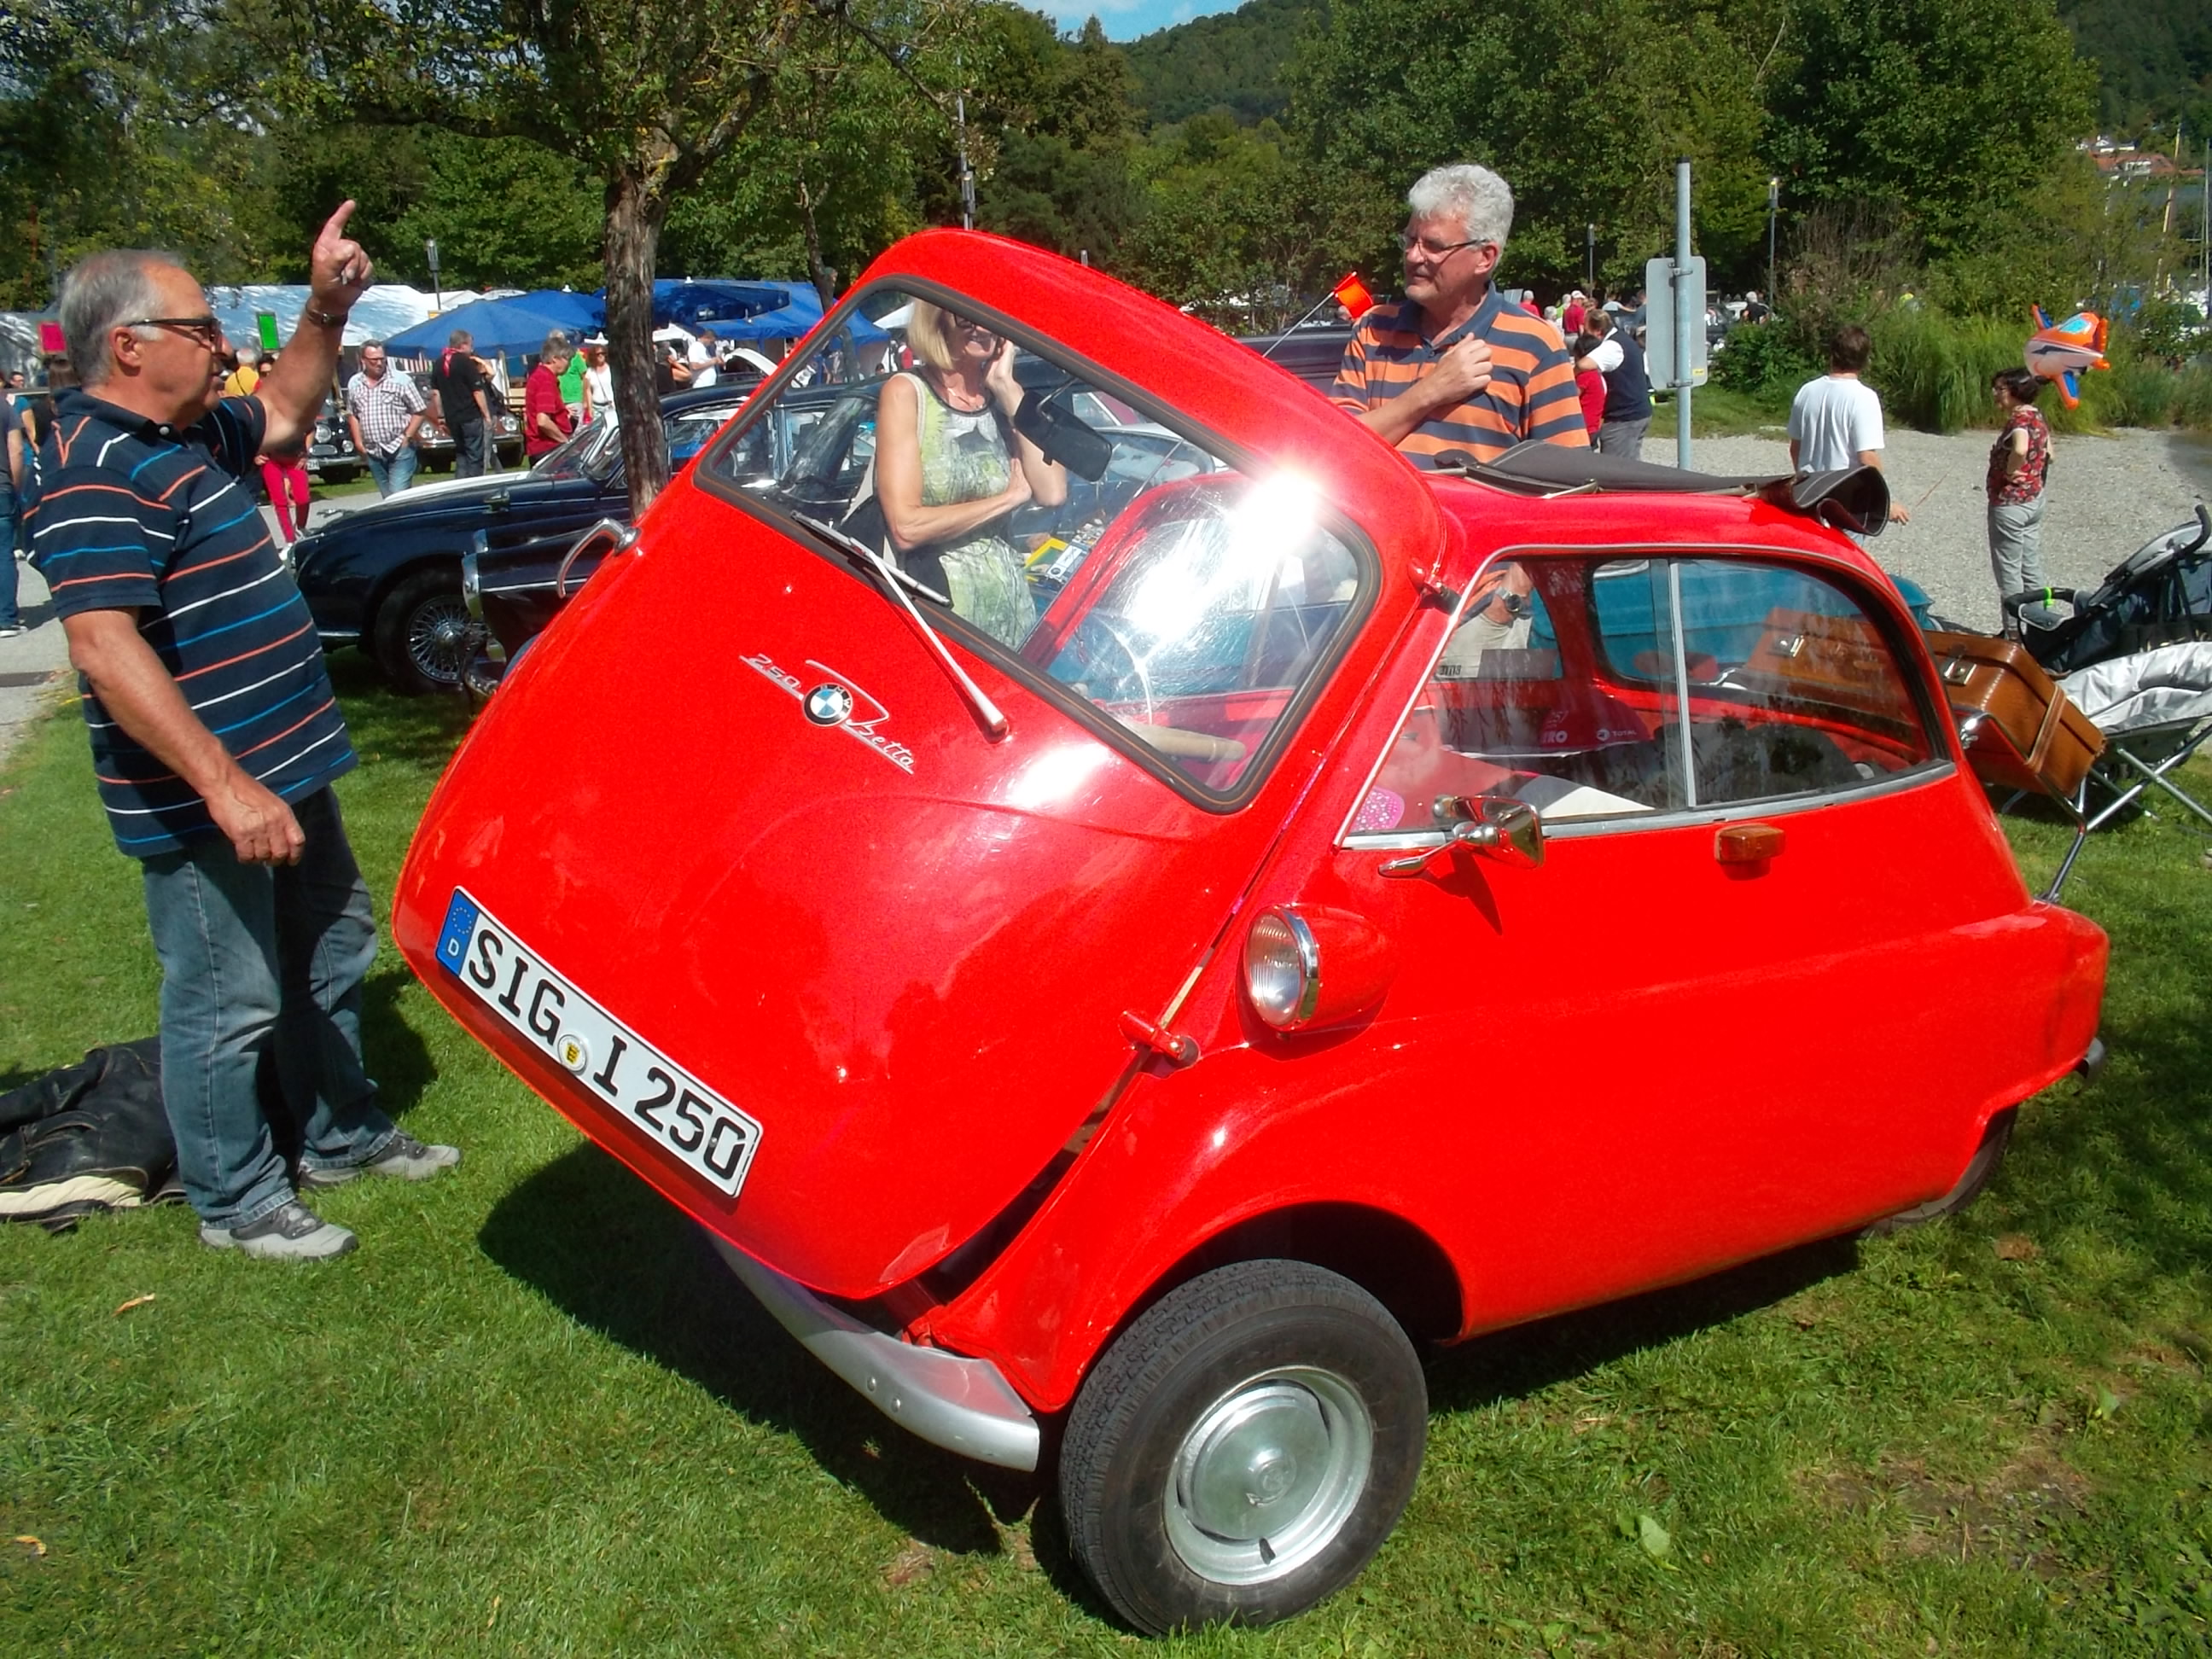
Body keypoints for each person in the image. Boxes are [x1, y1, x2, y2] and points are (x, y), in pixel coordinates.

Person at [23, 207, 460, 1261]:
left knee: (332, 945)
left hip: (288, 764)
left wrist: (325, 307)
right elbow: (103, 645)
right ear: (128, 345)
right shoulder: (92, 467)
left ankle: (341, 1132)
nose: (220, 341)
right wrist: (225, 786)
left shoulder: (180, 433)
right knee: (228, 996)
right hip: (209, 793)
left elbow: (283, 413)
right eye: (200, 325)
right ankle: (237, 1197)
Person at [1330, 162, 1587, 470]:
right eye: (1410, 240)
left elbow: (1569, 479)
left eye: (1434, 246)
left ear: (1485, 258)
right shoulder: (1373, 328)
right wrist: (1431, 391)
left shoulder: (1535, 344)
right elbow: (1337, 447)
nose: (1413, 256)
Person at [871, 299, 1067, 647]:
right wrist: (1006, 500)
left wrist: (1007, 388)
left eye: (993, 315)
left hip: (1014, 615)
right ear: (939, 318)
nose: (983, 327)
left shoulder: (1005, 399)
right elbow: (906, 527)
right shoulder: (908, 393)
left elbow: (1052, 492)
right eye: (967, 316)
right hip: (943, 619)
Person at [1787, 326, 1911, 525]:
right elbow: (1867, 457)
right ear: (1865, 360)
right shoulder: (1864, 398)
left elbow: (1795, 448)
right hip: (1845, 502)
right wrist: (1885, 503)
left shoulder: (1807, 391)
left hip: (1807, 495)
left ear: (1832, 355)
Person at [1985, 366, 2052, 613]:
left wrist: (2012, 470)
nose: (1996, 393)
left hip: (2010, 504)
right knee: (2030, 564)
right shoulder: (2037, 415)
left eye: (2000, 389)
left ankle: (2015, 633)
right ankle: (2042, 622)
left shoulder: (2019, 419)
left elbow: (2021, 448)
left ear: (2015, 391)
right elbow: (2050, 454)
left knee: (2009, 572)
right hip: (2034, 500)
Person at [343, 340, 425, 495]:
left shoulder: (401, 380)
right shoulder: (355, 383)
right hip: (373, 450)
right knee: (387, 497)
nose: (379, 363)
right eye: (374, 360)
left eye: (382, 359)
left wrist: (407, 437)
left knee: (398, 495)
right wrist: (358, 442)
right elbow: (352, 414)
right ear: (363, 360)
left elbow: (419, 410)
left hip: (399, 448)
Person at [1575, 308, 1653, 458]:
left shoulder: (1612, 346)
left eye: (1587, 331)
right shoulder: (1623, 339)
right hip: (1638, 411)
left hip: (1624, 418)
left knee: (1613, 469)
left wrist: (1571, 374)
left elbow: (1583, 364)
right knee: (1630, 466)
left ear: (1598, 331)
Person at [429, 328, 496, 477]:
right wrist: (486, 415)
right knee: (475, 456)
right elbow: (477, 391)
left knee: (461, 454)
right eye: (470, 345)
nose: (471, 349)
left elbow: (435, 392)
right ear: (463, 345)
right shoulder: (466, 363)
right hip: (470, 415)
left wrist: (440, 416)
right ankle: (473, 488)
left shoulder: (439, 363)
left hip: (452, 416)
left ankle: (459, 485)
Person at [525, 331, 576, 458]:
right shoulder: (546, 380)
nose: (569, 364)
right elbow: (543, 421)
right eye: (567, 359)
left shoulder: (538, 375)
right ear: (555, 359)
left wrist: (562, 411)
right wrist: (566, 442)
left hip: (540, 448)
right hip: (548, 448)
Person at [0, 390, 23, 635]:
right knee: (2, 553)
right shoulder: (5, 408)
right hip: (1, 487)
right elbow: (15, 451)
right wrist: (16, 487)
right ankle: (5, 619)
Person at [580, 335, 615, 426]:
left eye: (603, 353)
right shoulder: (590, 372)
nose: (601, 356)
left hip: (610, 406)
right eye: (598, 354)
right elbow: (588, 390)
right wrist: (589, 408)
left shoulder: (611, 370)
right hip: (596, 407)